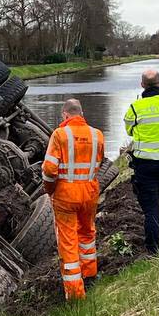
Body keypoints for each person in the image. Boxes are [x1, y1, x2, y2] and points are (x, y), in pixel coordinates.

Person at [41, 98, 106, 300]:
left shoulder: (60, 135)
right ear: (82, 114)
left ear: (65, 115)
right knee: (87, 234)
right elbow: (100, 162)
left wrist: (50, 190)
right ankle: (90, 275)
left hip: (66, 196)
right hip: (90, 193)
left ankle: (76, 294)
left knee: (68, 241)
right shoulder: (97, 135)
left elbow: (49, 169)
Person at [123, 68, 159, 254]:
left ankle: (153, 250)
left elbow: (129, 131)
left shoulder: (134, 108)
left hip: (146, 165)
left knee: (151, 208)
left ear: (142, 85)